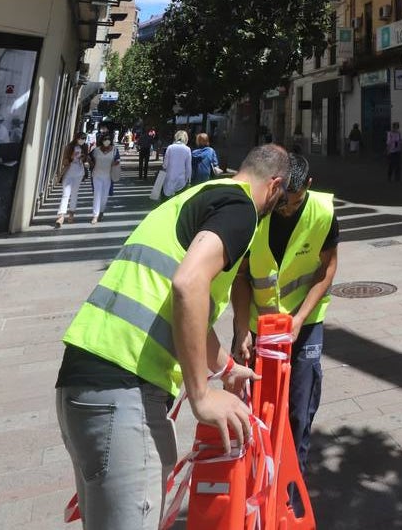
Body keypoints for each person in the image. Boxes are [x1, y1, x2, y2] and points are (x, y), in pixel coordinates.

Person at [56, 143, 290, 530]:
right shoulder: (241, 208)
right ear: (275, 185)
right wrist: (201, 395)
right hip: (124, 387)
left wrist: (227, 367)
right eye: (278, 198)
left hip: (87, 381)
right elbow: (188, 283)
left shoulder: (199, 197)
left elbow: (183, 305)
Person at [232, 154, 338, 476]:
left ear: (308, 185)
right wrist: (240, 329)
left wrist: (300, 318)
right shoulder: (257, 211)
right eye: (283, 202)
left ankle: (292, 485)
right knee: (253, 406)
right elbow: (241, 276)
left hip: (303, 324)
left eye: (294, 203)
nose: (287, 209)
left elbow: (328, 267)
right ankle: (256, 476)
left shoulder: (322, 213)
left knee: (298, 409)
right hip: (257, 325)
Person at [55, 133, 88, 227]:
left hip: (79, 173)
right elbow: (64, 161)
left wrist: (83, 158)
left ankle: (71, 213)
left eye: (84, 139)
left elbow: (86, 159)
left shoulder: (85, 147)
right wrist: (71, 157)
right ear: (76, 138)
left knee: (74, 193)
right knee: (65, 194)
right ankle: (61, 216)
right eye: (81, 138)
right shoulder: (69, 147)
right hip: (68, 173)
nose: (82, 140)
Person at [89, 131, 121, 224]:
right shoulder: (96, 150)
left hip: (107, 176)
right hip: (97, 175)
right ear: (101, 141)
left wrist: (115, 163)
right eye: (105, 139)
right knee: (97, 194)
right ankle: (95, 215)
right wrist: (90, 163)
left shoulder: (115, 150)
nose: (106, 141)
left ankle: (101, 211)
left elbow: (117, 160)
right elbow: (89, 157)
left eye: (108, 140)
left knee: (104, 196)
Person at [162, 129, 192, 196]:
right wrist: (188, 180)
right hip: (181, 179)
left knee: (168, 199)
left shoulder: (170, 147)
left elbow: (165, 165)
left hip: (169, 177)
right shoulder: (187, 149)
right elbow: (188, 167)